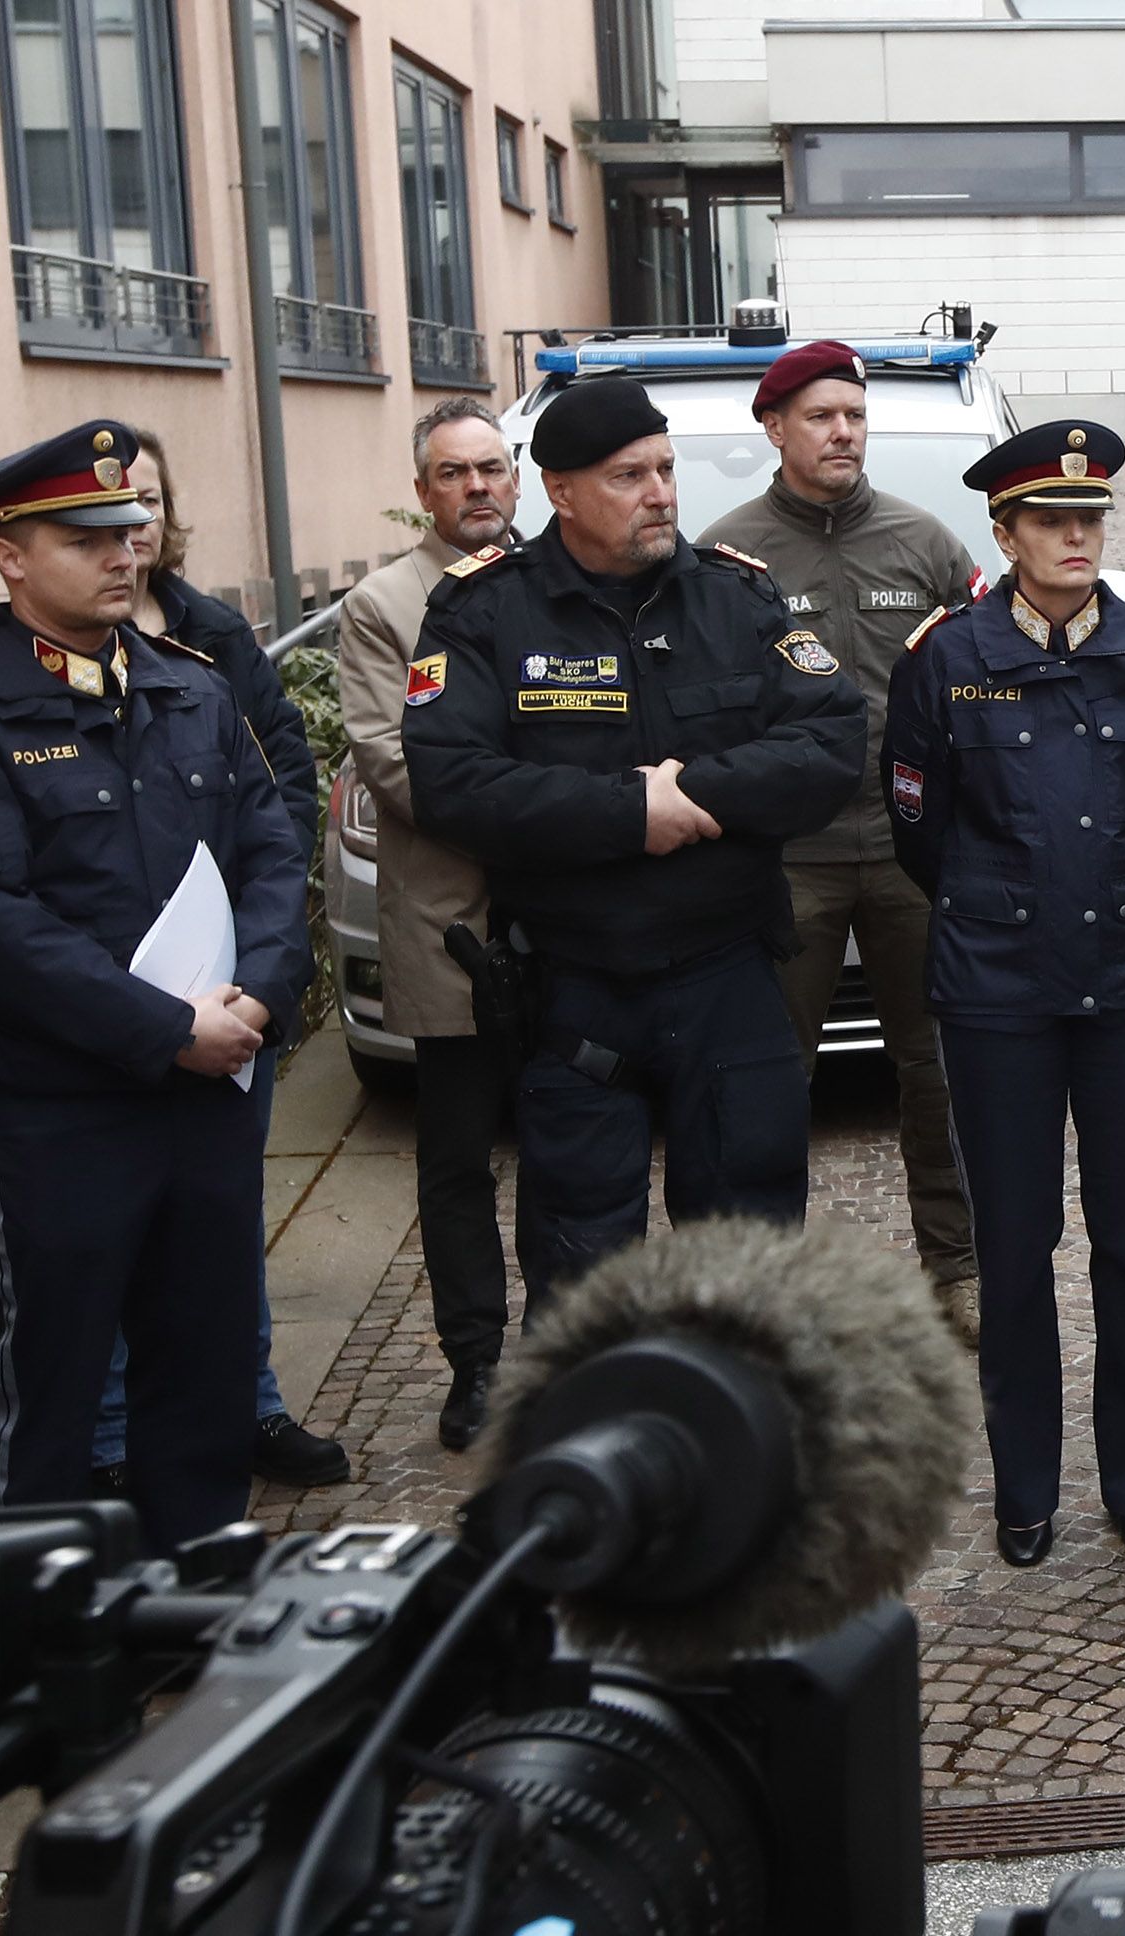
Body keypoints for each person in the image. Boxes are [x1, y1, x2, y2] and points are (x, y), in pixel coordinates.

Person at [0, 420, 309, 1550]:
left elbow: (272, 854)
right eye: (84, 538)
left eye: (127, 531)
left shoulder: (191, 687)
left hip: (209, 1091)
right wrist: (163, 1026)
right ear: (9, 554)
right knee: (59, 1376)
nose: (121, 552)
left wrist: (259, 997)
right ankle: (44, 1610)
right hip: (61, 1109)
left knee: (205, 1365)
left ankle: (195, 1582)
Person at [402, 375, 862, 1309]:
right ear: (560, 492)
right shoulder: (486, 611)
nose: (660, 494)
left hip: (728, 978)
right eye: (628, 476)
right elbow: (452, 781)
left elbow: (830, 743)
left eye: (665, 470)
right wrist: (626, 811)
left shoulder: (736, 596)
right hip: (576, 987)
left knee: (749, 1266)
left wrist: (691, 794)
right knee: (582, 1277)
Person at [883, 420, 1125, 1566]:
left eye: (1090, 518)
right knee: (1013, 1249)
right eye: (1051, 520)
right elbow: (920, 827)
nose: (1076, 537)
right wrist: (1003, 905)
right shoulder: (945, 657)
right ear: (1005, 533)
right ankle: (1025, 1489)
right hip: (998, 989)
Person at [77, 426, 350, 1493]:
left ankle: (253, 1406)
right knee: (107, 1226)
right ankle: (110, 1440)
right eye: (106, 512)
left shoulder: (213, 637)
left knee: (225, 1213)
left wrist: (256, 946)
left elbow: (284, 777)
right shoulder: (32, 665)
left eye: (145, 502)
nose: (130, 526)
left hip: (228, 979)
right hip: (108, 1002)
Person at [705, 340, 985, 1341]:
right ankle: (769, 1286)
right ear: (774, 427)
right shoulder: (729, 560)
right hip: (790, 864)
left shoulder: (926, 543)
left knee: (937, 1071)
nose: (842, 434)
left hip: (914, 858)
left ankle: (958, 1268)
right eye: (821, 417)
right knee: (771, 1080)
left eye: (855, 417)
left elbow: (980, 687)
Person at [334, 397, 529, 1450]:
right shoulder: (382, 606)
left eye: (491, 468)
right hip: (452, 923)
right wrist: (554, 813)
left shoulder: (559, 581)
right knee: (456, 1161)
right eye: (453, 473)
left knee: (573, 1150)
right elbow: (394, 761)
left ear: (517, 478)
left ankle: (570, 1351)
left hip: (567, 921)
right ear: (423, 492)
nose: (477, 488)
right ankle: (476, 1362)